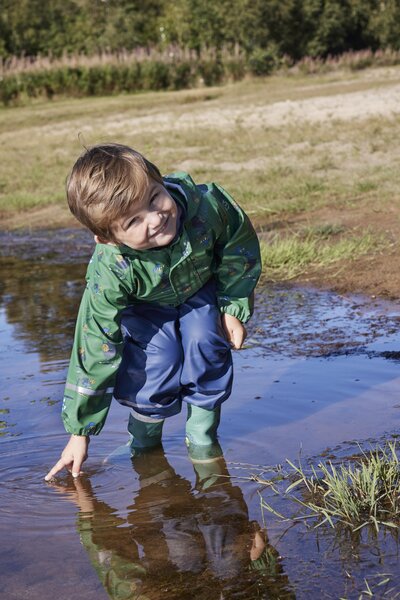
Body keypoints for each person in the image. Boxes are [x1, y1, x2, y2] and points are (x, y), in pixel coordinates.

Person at [44, 142, 261, 481]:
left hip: (198, 286)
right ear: (107, 238)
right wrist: (79, 432)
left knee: (205, 339)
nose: (156, 217)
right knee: (157, 360)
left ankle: (202, 436)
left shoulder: (205, 207)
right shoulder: (112, 270)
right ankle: (144, 443)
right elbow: (94, 343)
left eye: (155, 198)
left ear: (159, 179)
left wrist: (232, 305)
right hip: (145, 306)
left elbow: (238, 242)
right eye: (133, 220)